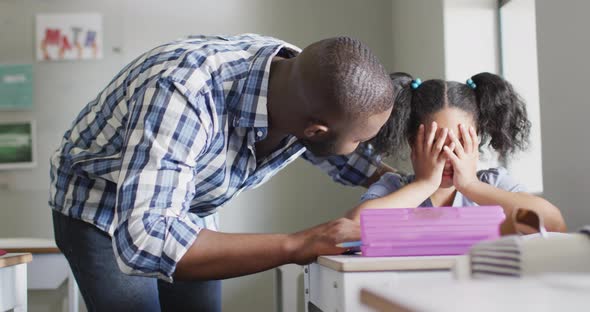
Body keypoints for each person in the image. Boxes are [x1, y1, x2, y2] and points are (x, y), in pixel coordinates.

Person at [49, 34, 396, 311]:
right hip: (101, 206)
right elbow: (148, 240)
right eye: (360, 140)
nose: (363, 147)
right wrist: (298, 244)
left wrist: (418, 182)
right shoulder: (184, 92)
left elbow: (351, 159)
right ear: (315, 130)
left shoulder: (303, 88)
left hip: (185, 207)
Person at [348, 72, 566, 234]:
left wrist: (471, 185)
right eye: (436, 142)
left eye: (461, 142)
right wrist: (424, 184)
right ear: (413, 143)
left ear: (477, 139)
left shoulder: (494, 184)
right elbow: (351, 227)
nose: (449, 156)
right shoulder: (393, 188)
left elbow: (553, 224)